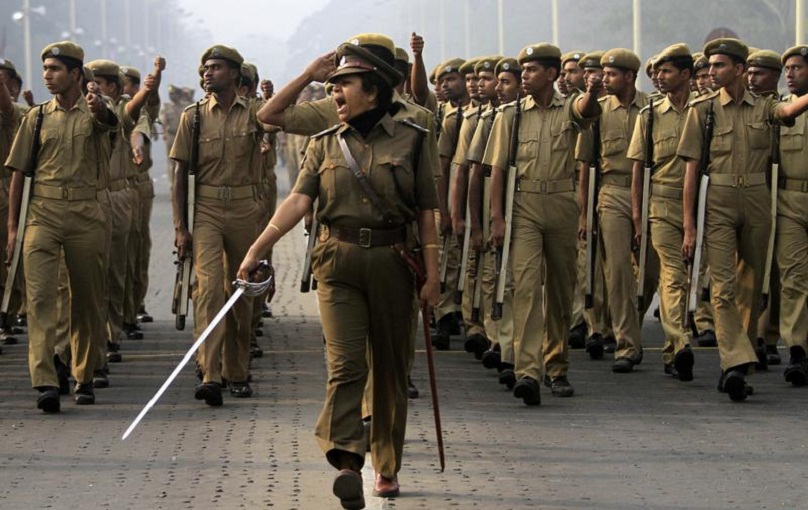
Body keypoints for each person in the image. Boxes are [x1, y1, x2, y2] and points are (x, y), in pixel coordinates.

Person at [238, 33, 440, 509]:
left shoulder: (416, 136)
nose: (334, 93)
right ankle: (348, 458)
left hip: (394, 262)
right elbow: (297, 201)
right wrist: (257, 249)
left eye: (343, 84)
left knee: (391, 370)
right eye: (332, 85)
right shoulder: (326, 140)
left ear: (372, 87)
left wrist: (433, 276)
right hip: (337, 263)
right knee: (346, 365)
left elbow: (428, 211)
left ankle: (386, 465)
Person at [678, 38, 808, 401]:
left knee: (752, 283)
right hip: (717, 199)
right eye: (711, 65)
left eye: (720, 65)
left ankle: (740, 356)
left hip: (756, 199)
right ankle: (733, 361)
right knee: (723, 286)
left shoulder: (764, 106)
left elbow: (786, 114)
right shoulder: (702, 110)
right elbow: (692, 171)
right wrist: (690, 225)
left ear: (737, 69)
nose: (713, 71)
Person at [485, 43, 602, 405]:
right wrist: (498, 218)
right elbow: (497, 171)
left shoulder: (568, 106)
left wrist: (593, 90)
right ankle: (528, 371)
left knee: (560, 289)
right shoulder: (511, 115)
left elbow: (586, 111)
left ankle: (557, 366)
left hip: (563, 204)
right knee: (526, 287)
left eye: (533, 70)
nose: (525, 76)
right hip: (525, 207)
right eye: (524, 70)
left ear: (551, 75)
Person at [5, 41, 118, 412]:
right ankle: (45, 381)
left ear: (75, 74)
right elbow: (20, 172)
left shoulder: (96, 110)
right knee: (39, 299)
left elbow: (109, 121)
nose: (47, 76)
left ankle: (83, 375)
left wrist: (99, 105)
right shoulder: (36, 117)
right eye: (45, 69)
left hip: (87, 212)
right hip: (43, 213)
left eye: (55, 69)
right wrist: (12, 229)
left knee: (86, 298)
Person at [171, 45, 265, 406]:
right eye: (206, 67)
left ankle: (237, 370)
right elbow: (180, 171)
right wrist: (180, 226)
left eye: (217, 67)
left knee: (241, 291)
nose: (208, 73)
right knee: (209, 290)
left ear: (235, 74)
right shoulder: (192, 117)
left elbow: (280, 120)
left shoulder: (254, 114)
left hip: (245, 209)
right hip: (206, 209)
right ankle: (210, 373)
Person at [577, 48, 659, 373]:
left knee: (650, 272)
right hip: (611, 192)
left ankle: (628, 325)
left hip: (650, 194)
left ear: (629, 76)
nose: (604, 78)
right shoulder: (596, 111)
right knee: (619, 271)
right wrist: (585, 213)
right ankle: (627, 344)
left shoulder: (652, 109)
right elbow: (585, 165)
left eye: (611, 74)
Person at [627, 43, 696, 381]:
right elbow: (639, 168)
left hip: (703, 201)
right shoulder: (650, 115)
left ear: (686, 74)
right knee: (673, 275)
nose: (659, 77)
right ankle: (680, 342)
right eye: (657, 71)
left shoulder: (705, 110)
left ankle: (673, 350)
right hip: (663, 203)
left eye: (667, 71)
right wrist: (638, 217)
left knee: (693, 277)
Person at [775, 45, 808, 387]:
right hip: (789, 201)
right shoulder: (780, 109)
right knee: (794, 279)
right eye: (787, 69)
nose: (790, 73)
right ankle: (797, 350)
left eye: (797, 68)